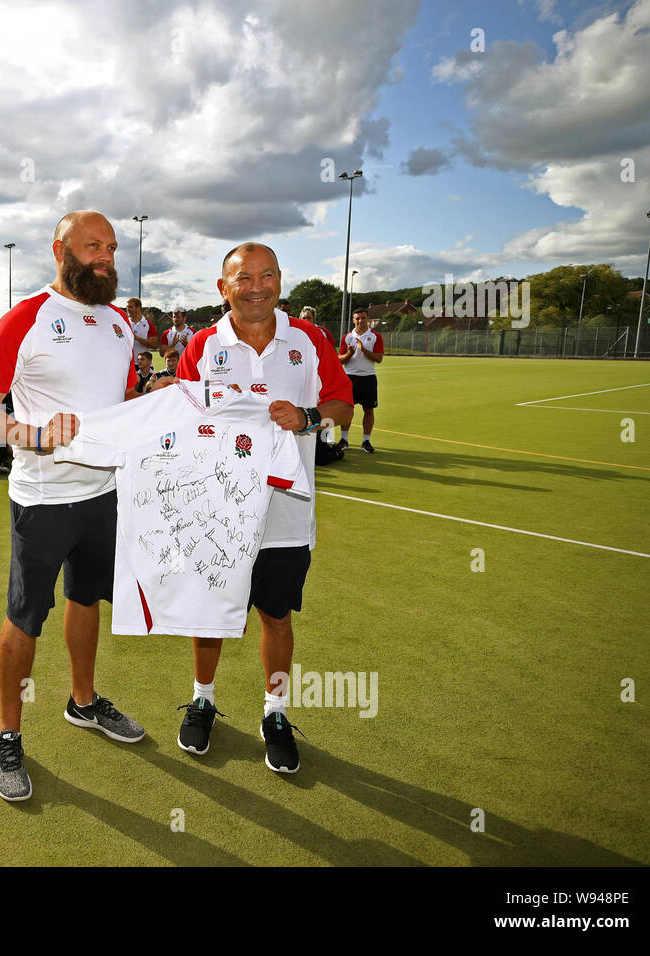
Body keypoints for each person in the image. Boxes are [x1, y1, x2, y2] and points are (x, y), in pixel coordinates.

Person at [0, 210, 146, 803]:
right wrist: (37, 435)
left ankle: (83, 702)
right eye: (92, 246)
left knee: (86, 597)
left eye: (112, 247)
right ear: (59, 250)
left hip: (103, 493)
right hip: (44, 499)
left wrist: (157, 399)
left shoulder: (120, 322)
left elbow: (120, 405)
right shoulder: (27, 318)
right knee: (24, 616)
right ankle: (7, 733)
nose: (105, 257)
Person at [173, 241, 353, 770]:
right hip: (219, 510)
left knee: (276, 616)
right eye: (243, 277)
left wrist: (308, 415)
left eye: (267, 275)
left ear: (280, 280)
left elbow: (341, 406)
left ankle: (275, 711)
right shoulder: (204, 345)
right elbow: (181, 418)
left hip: (286, 513)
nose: (257, 287)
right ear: (223, 287)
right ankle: (203, 699)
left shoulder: (310, 338)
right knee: (211, 614)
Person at [338, 306, 384, 453]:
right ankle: (344, 440)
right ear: (353, 320)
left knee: (369, 410)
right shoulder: (347, 337)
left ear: (368, 319)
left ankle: (366, 441)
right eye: (357, 318)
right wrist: (349, 354)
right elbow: (339, 360)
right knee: (347, 410)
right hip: (350, 378)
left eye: (363, 318)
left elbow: (379, 358)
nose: (360, 321)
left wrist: (363, 349)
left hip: (368, 377)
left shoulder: (375, 336)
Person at [127, 296, 158, 364]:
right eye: (127, 307)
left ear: (138, 308)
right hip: (128, 364)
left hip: (144, 365)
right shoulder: (124, 323)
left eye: (130, 307)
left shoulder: (148, 324)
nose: (128, 309)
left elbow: (154, 345)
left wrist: (137, 338)